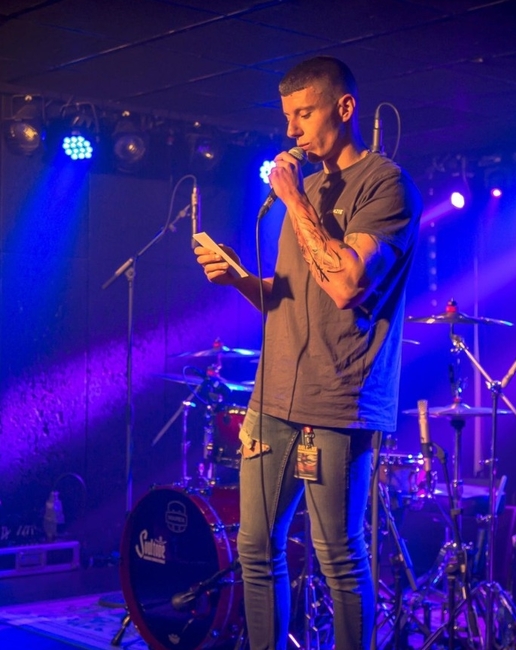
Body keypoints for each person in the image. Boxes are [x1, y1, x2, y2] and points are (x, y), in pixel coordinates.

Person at [194, 56, 422, 650]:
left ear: (344, 108)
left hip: (337, 400)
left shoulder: (385, 185)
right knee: (255, 548)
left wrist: (295, 200)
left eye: (304, 114)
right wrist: (239, 279)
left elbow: (346, 286)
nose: (291, 131)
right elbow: (290, 296)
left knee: (338, 555)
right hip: (274, 395)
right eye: (286, 117)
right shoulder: (310, 188)